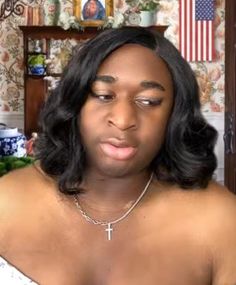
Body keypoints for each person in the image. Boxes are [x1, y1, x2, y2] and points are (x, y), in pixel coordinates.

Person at [0, 26, 235, 284]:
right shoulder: (6, 202)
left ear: (174, 115)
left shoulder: (222, 220)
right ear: (75, 104)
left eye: (149, 101)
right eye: (103, 95)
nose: (123, 120)